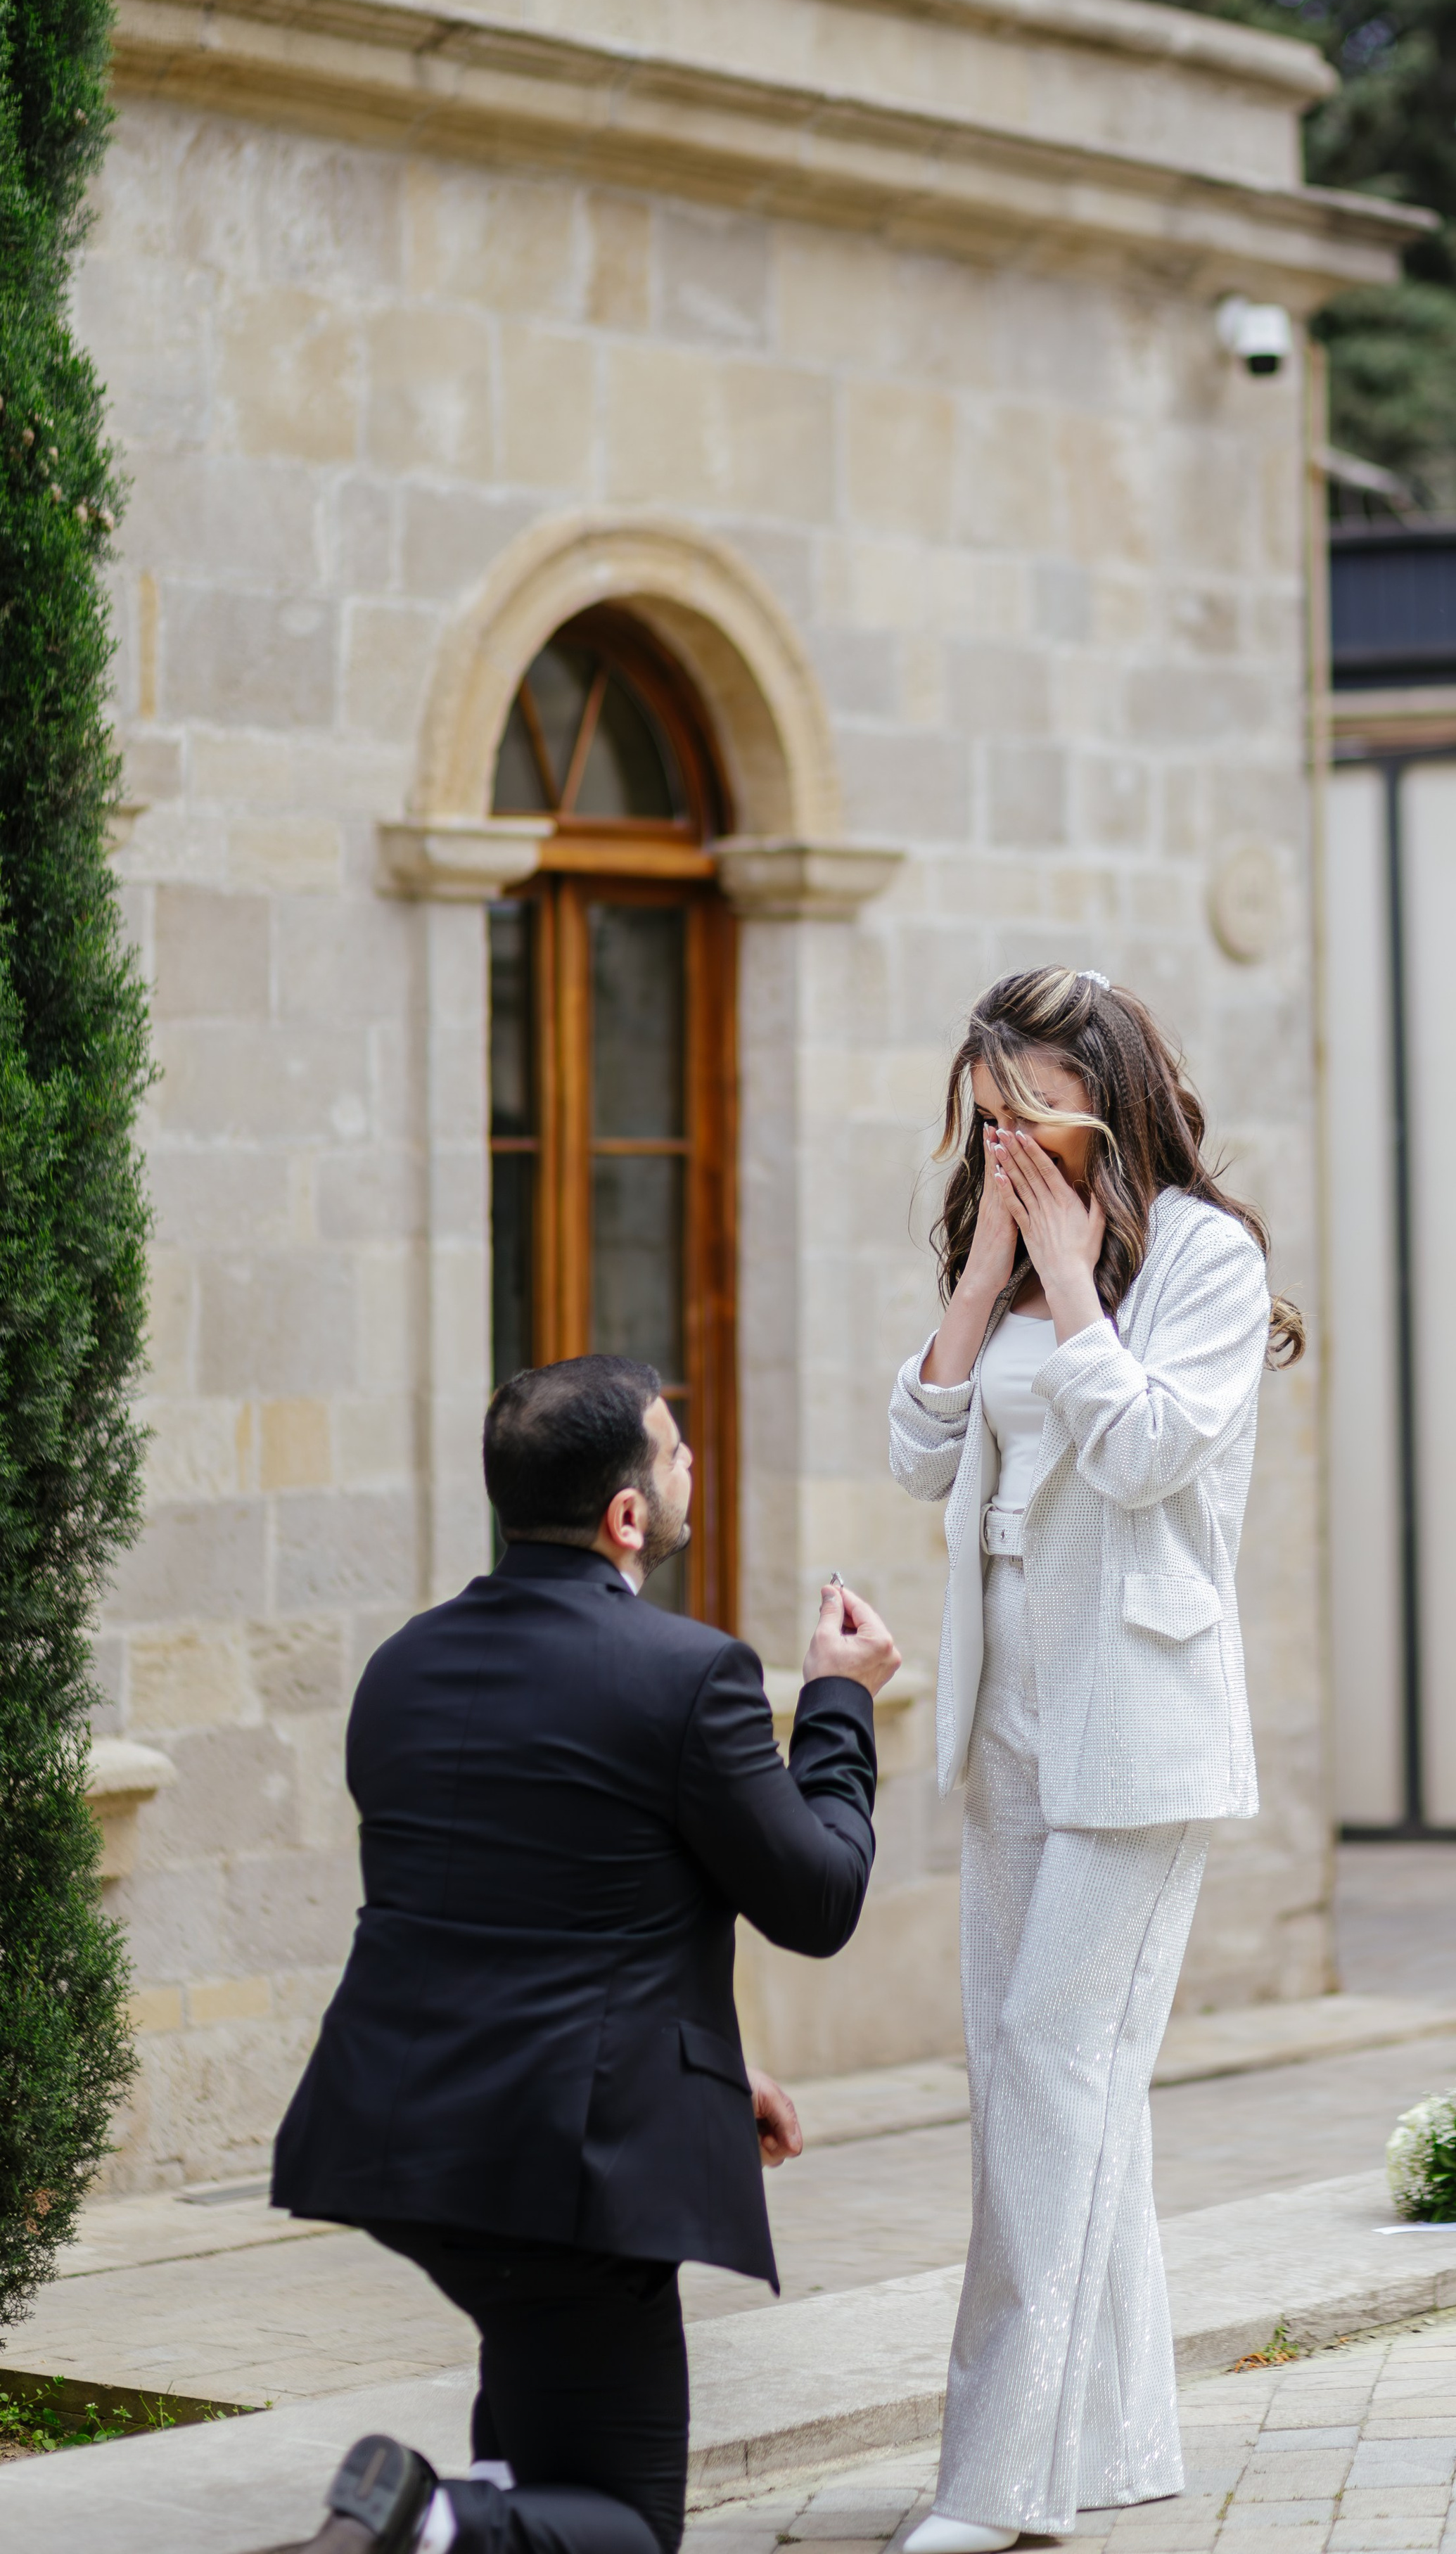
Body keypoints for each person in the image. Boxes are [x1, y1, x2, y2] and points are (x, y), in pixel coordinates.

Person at [272, 1353, 900, 2554]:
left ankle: (431, 2516)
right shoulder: (690, 1676)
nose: (691, 1464)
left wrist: (712, 2070)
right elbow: (818, 1901)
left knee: (538, 2419)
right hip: (570, 2168)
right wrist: (838, 1702)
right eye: (675, 1451)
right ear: (627, 1516)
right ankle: (428, 2522)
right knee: (621, 2523)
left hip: (404, 2136)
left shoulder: (401, 1666)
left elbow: (530, 1909)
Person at [888, 966, 1303, 2554]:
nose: (1005, 1141)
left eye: (1032, 1113)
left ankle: (989, 2484)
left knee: (1053, 2075)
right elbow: (919, 1451)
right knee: (1037, 2079)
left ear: (1107, 1100)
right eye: (985, 1116)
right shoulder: (1003, 1245)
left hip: (1137, 1721)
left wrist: (1069, 1286)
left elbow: (1140, 1458)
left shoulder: (1204, 1257)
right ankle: (1113, 2442)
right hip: (1009, 1709)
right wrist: (988, 1270)